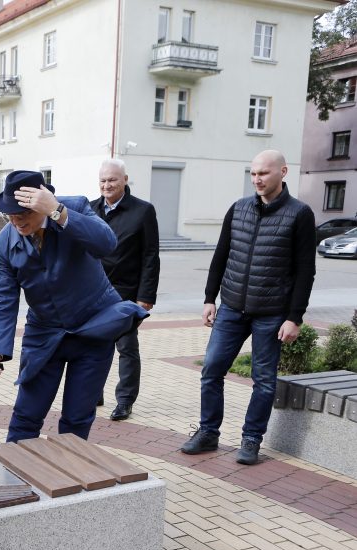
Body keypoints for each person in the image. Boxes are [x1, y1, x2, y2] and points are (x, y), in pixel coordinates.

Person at [0, 170, 147, 442]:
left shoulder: (75, 208)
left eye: (24, 214)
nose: (17, 222)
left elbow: (107, 244)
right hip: (45, 334)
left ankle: (68, 480)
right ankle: (15, 476)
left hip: (93, 328)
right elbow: (2, 299)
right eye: (11, 215)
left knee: (77, 418)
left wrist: (58, 212)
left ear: (42, 203)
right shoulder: (4, 243)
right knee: (26, 413)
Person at [181, 150, 316, 465]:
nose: (257, 179)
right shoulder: (239, 208)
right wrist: (209, 298)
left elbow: (305, 270)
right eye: (253, 173)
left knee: (264, 379)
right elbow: (221, 255)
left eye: (264, 173)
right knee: (212, 369)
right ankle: (208, 433)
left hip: (271, 314)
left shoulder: (300, 214)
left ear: (282, 172)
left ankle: (251, 440)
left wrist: (294, 317)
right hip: (231, 307)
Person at [90, 160, 160, 421]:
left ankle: (125, 401)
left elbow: (151, 256)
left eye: (112, 180)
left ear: (125, 180)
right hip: (94, 291)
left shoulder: (143, 211)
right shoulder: (90, 208)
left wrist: (145, 297)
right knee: (92, 345)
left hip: (126, 292)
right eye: (103, 181)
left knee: (126, 347)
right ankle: (94, 392)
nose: (107, 185)